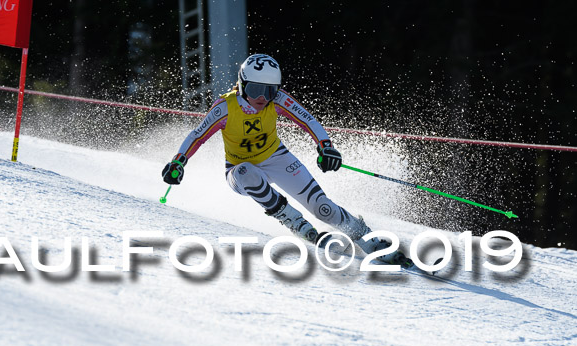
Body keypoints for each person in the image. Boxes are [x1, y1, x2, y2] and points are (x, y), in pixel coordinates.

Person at [162, 53, 406, 265]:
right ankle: (292, 220)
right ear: (242, 84)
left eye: (270, 91)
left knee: (323, 208)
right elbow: (198, 135)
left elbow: (307, 119)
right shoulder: (225, 107)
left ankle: (367, 237)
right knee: (248, 172)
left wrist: (326, 147)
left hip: (277, 159)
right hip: (238, 170)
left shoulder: (277, 100)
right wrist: (178, 162)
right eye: (256, 90)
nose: (262, 98)